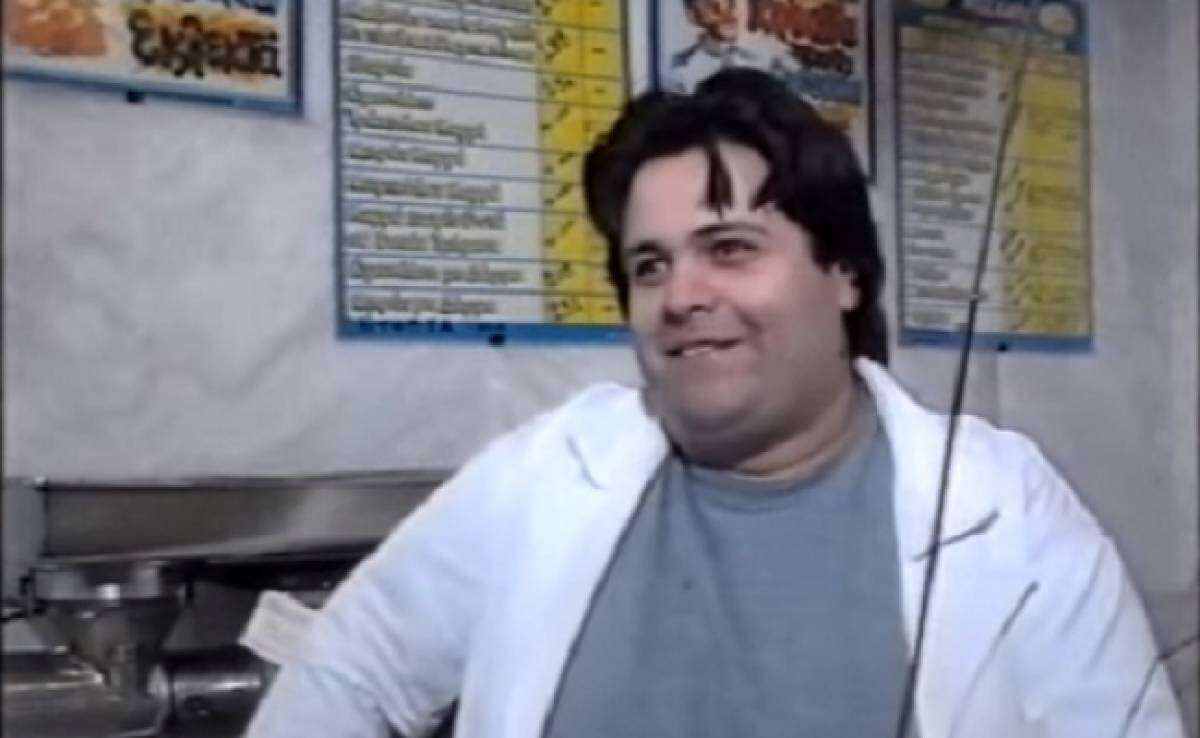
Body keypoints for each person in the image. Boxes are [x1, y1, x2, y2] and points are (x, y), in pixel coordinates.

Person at [245, 69, 1186, 737]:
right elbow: (347, 674)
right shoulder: (550, 473)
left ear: (845, 273)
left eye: (729, 249)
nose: (682, 295)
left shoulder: (1005, 509)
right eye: (650, 265)